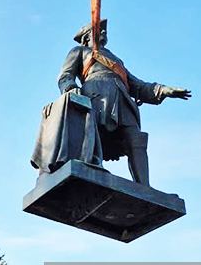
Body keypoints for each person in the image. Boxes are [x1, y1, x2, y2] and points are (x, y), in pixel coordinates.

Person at [57, 20, 191, 186]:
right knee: (93, 135)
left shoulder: (116, 60)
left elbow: (136, 85)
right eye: (99, 30)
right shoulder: (79, 51)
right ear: (86, 37)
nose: (104, 33)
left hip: (122, 99)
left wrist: (162, 90)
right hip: (96, 96)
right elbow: (65, 75)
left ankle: (144, 187)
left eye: (105, 31)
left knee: (136, 139)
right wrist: (70, 87)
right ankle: (92, 173)